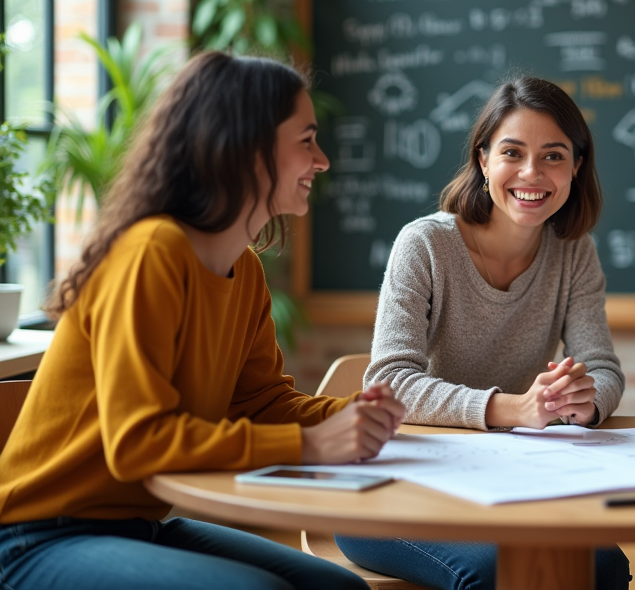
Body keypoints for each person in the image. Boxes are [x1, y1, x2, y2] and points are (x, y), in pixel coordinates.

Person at [0, 52, 407, 590]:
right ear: (246, 146)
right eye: (306, 140)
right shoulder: (152, 252)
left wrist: (355, 415)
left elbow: (260, 404)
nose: (323, 160)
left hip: (135, 526)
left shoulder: (245, 269)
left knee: (339, 588)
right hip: (39, 538)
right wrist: (314, 445)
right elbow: (137, 442)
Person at [334, 75, 630, 590]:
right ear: (482, 160)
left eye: (554, 156)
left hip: (509, 485)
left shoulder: (574, 251)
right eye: (512, 152)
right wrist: (516, 409)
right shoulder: (424, 244)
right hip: (394, 490)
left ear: (577, 167)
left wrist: (584, 400)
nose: (531, 173)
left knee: (601, 566)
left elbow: (601, 367)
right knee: (495, 575)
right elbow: (389, 383)